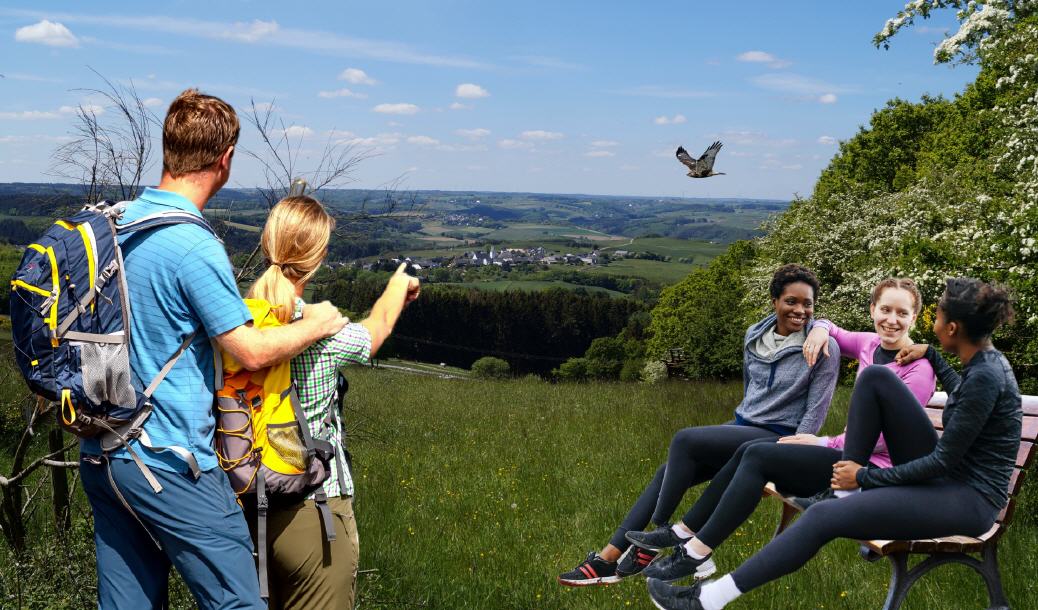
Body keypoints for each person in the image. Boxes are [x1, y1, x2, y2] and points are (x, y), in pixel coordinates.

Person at [79, 89, 349, 610]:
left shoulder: (118, 224)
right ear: (224, 161)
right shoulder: (191, 243)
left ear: (168, 148)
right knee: (237, 602)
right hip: (169, 462)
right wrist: (315, 324)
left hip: (103, 453)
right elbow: (248, 351)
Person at [647, 277, 1021, 610]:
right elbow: (962, 397)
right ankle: (839, 492)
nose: (932, 325)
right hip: (947, 481)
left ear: (953, 327)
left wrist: (865, 479)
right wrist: (935, 355)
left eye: (936, 318)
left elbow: (942, 462)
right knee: (876, 376)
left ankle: (707, 601)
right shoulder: (982, 364)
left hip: (969, 500)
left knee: (820, 516)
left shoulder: (986, 377)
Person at [627, 277, 936, 582]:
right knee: (750, 450)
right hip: (847, 457)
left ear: (914, 318)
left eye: (902, 313)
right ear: (872, 310)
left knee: (759, 455)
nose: (891, 320)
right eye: (885, 310)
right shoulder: (869, 343)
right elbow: (830, 326)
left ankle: (692, 550)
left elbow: (881, 441)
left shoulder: (918, 370)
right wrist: (818, 330)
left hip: (872, 473)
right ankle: (686, 539)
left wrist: (822, 441)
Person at [558, 264, 840, 586]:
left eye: (808, 304)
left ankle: (661, 533)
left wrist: (795, 450)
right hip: (742, 426)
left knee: (685, 440)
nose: (800, 310)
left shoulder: (823, 348)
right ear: (775, 300)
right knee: (668, 471)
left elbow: (816, 410)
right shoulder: (754, 336)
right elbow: (751, 391)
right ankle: (609, 558)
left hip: (780, 436)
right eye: (792, 301)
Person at [244, 195, 420, 609]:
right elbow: (374, 333)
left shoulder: (238, 324)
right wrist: (399, 285)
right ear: (317, 257)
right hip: (314, 509)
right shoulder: (320, 331)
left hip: (249, 508)